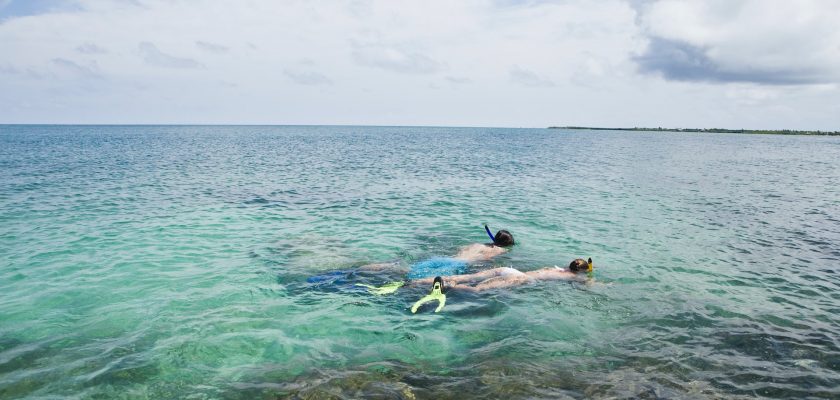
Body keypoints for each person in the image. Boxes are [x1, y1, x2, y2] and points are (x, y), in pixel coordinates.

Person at [411, 258, 592, 293]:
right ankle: (449, 287)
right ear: (581, 271)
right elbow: (592, 284)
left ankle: (417, 282)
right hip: (521, 278)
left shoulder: (556, 268)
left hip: (509, 270)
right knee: (478, 289)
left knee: (468, 277)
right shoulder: (574, 277)